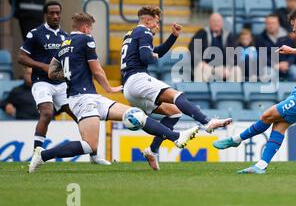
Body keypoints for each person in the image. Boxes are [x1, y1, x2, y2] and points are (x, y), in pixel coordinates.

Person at [29, 13, 201, 173]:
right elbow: (97, 70)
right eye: (91, 29)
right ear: (86, 28)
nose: (91, 32)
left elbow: (52, 72)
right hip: (81, 100)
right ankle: (43, 155)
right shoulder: (86, 40)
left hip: (91, 96)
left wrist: (68, 74)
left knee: (135, 115)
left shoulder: (63, 44)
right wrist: (109, 89)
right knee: (90, 145)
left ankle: (176, 137)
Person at [213, 8, 296, 174]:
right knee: (279, 125)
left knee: (267, 115)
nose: (293, 29)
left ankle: (236, 139)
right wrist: (292, 51)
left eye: (293, 24)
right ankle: (260, 166)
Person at [120, 6, 233, 169]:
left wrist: (173, 37)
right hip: (138, 79)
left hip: (129, 86)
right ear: (147, 20)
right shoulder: (144, 32)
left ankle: (152, 150)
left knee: (174, 112)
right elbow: (148, 57)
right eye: (156, 22)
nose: (157, 27)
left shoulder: (130, 34)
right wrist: (151, 55)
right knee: (177, 96)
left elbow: (156, 52)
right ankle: (207, 122)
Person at [16, 1, 108, 164]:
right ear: (46, 14)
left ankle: (94, 153)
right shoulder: (35, 33)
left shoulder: (66, 37)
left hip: (63, 84)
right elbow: (21, 57)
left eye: (58, 13)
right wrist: (42, 66)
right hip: (42, 82)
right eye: (51, 13)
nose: (55, 16)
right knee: (47, 112)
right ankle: (36, 153)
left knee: (81, 114)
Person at [188, 13, 237, 82]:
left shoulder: (228, 36)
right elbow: (193, 49)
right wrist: (199, 62)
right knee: (199, 69)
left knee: (236, 70)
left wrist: (228, 67)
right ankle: (200, 92)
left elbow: (233, 54)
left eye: (218, 21)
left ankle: (230, 92)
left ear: (222, 23)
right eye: (214, 21)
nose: (216, 23)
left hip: (222, 68)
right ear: (210, 23)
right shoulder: (202, 33)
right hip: (206, 67)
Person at [255, 14, 296, 81]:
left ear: (278, 24)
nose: (271, 26)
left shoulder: (287, 38)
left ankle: (291, 91)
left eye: (273, 23)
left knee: (295, 73)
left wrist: (287, 63)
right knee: (270, 74)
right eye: (268, 23)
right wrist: (275, 65)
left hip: (286, 65)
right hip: (269, 66)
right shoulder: (260, 39)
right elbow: (261, 56)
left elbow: (292, 54)